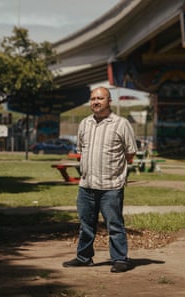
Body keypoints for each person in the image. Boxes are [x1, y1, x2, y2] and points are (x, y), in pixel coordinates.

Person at [62, 86, 137, 273]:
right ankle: (84, 257)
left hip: (111, 186)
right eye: (93, 98)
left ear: (109, 101)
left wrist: (115, 171)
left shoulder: (121, 124)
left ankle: (120, 259)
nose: (96, 102)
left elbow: (130, 153)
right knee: (86, 224)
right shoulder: (84, 123)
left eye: (100, 98)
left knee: (115, 225)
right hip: (86, 185)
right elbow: (81, 150)